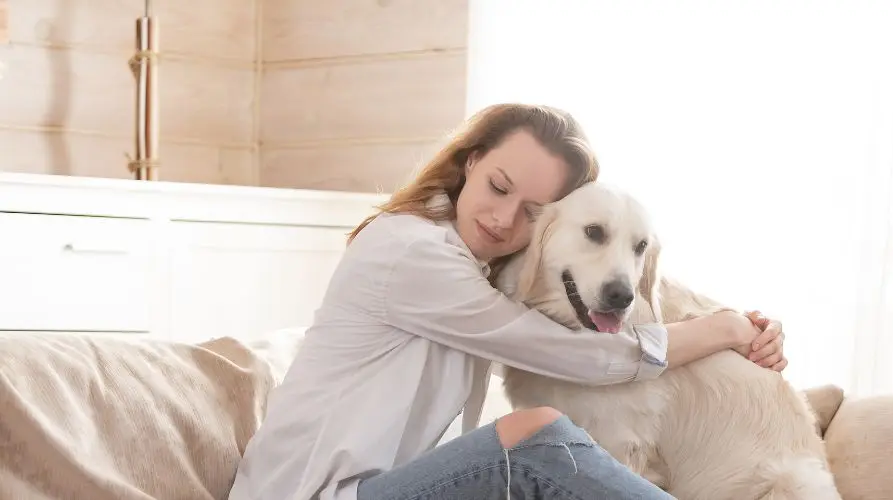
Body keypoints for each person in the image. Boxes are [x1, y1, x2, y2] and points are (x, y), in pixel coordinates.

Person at [227, 103, 789, 500]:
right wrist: (725, 331)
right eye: (499, 186)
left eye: (532, 209)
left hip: (390, 488)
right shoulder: (411, 251)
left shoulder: (480, 266)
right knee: (536, 436)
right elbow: (581, 356)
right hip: (319, 495)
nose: (503, 219)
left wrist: (751, 325)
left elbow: (629, 284)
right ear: (470, 162)